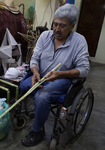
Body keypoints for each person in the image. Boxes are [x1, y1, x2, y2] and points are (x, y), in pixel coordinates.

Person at [19, 4, 90, 147]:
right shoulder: (45, 36)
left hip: (63, 79)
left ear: (72, 26)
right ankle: (42, 108)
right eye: (55, 24)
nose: (56, 29)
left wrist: (60, 74)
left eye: (62, 26)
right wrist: (35, 72)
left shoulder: (79, 41)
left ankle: (37, 130)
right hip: (42, 76)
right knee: (23, 85)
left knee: (42, 96)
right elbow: (35, 58)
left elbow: (84, 69)